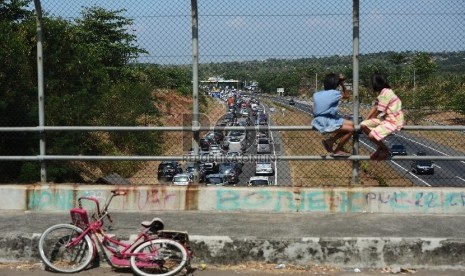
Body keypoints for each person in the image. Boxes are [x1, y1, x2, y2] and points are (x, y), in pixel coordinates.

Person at [360, 74, 404, 161]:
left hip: (393, 121)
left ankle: (385, 149)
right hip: (385, 119)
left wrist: (371, 119)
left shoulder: (385, 93)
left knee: (372, 136)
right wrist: (367, 120)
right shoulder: (384, 92)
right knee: (362, 124)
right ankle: (380, 148)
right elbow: (376, 108)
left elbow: (378, 110)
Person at [311, 73, 354, 157]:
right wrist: (342, 83)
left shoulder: (316, 94)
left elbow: (313, 108)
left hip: (319, 119)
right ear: (336, 84)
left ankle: (330, 141)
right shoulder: (335, 93)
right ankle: (337, 149)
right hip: (327, 120)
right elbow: (347, 96)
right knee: (352, 129)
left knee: (352, 124)